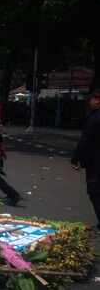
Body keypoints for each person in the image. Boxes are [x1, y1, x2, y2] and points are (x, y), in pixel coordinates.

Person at [71, 90, 100, 230]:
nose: (90, 103)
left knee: (95, 193)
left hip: (95, 164)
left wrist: (75, 159)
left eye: (91, 100)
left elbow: (84, 142)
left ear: (97, 100)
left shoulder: (94, 119)